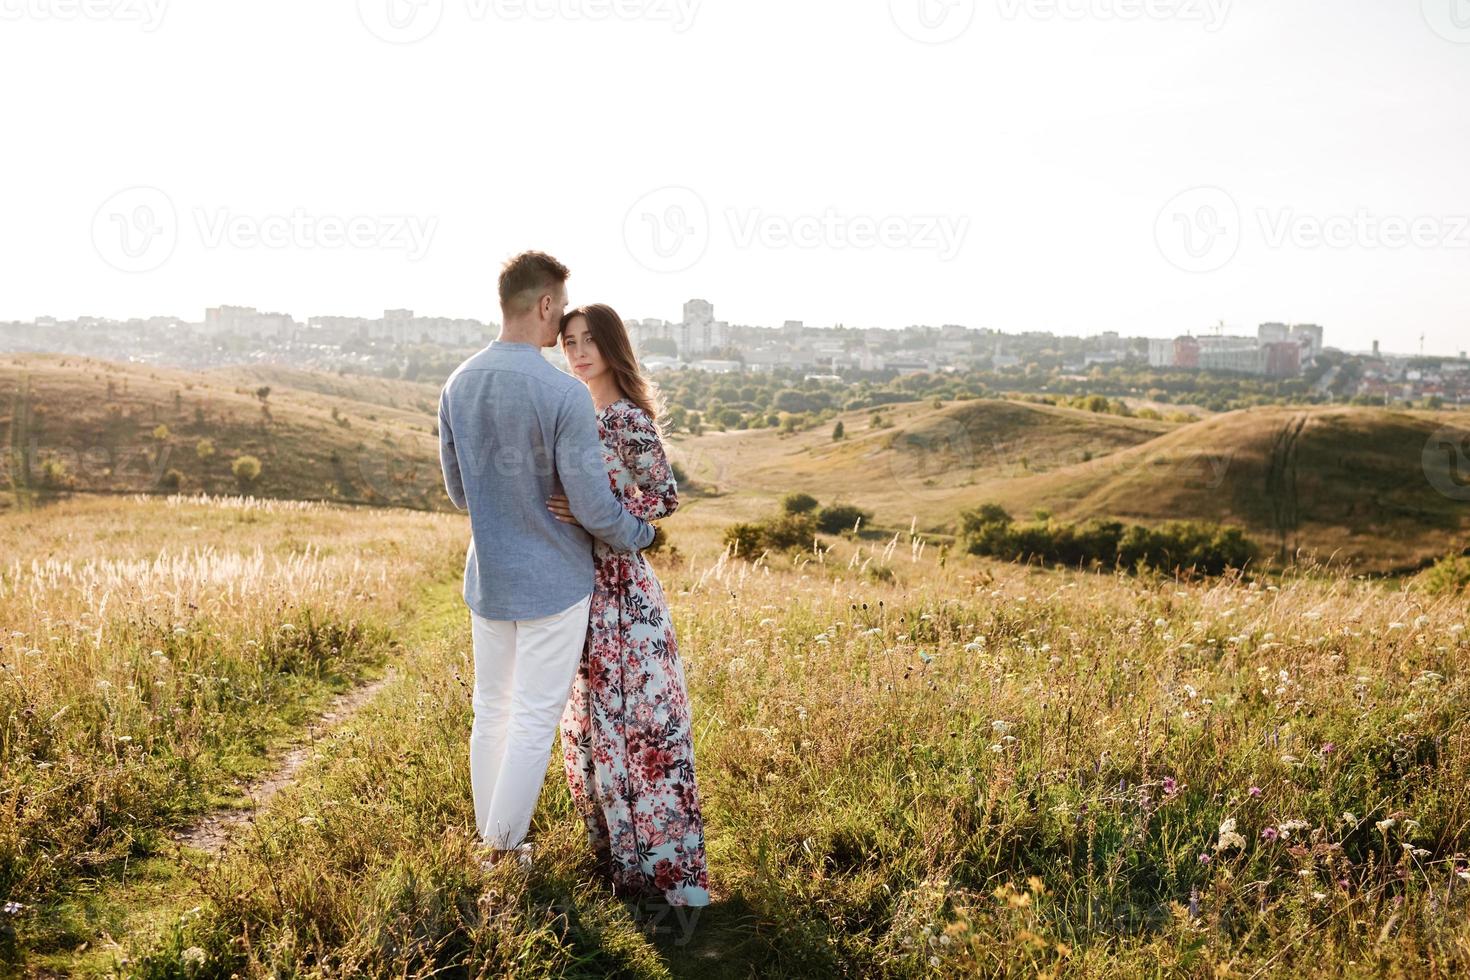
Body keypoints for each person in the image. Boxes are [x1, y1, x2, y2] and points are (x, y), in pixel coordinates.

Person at [438, 252, 655, 868]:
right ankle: (502, 852)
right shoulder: (562, 393)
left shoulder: (458, 382)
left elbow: (459, 493)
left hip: (489, 578)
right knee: (533, 719)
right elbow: (592, 505)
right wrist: (640, 534)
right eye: (558, 308)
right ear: (543, 305)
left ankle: (493, 841)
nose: (560, 324)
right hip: (555, 585)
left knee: (492, 711)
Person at [547, 302, 711, 906]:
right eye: (569, 342)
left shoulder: (627, 420)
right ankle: (617, 862)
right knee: (593, 725)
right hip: (578, 588)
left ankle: (670, 870)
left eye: (590, 340)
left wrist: (603, 518)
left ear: (613, 345)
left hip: (626, 592)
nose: (579, 352)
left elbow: (664, 498)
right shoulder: (573, 412)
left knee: (646, 724)